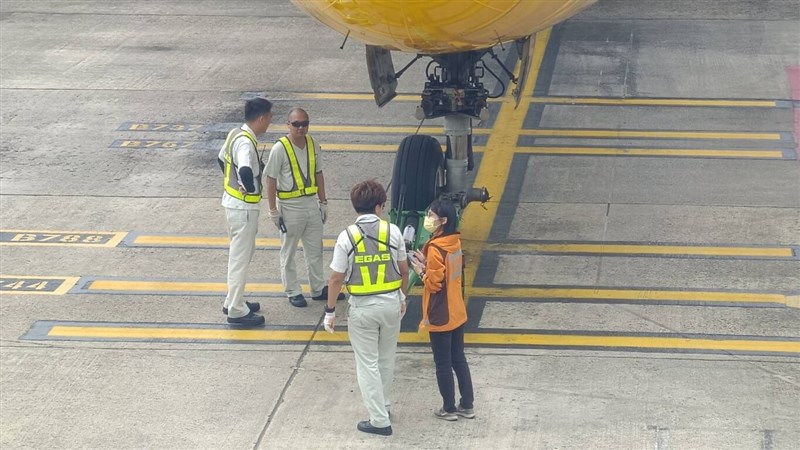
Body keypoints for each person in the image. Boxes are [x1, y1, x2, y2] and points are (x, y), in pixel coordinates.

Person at [323, 180, 409, 436]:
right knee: (385, 359)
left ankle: (379, 420)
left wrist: (330, 312)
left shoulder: (346, 237)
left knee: (367, 364)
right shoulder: (393, 232)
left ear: (355, 207)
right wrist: (402, 298)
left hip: (362, 308)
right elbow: (404, 271)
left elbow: (336, 278)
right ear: (379, 206)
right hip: (392, 304)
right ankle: (384, 405)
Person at [265, 108, 344, 307]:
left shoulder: (313, 144)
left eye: (304, 123)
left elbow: (319, 173)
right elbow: (271, 179)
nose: (301, 128)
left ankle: (318, 288)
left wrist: (323, 202)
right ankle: (292, 291)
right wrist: (273, 210)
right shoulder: (280, 149)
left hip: (311, 204)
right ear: (288, 125)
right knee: (289, 251)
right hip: (290, 207)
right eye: (296, 124)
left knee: (315, 250)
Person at [408, 199, 475, 421]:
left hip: (441, 313)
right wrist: (427, 262)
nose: (428, 218)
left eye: (431, 215)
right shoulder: (454, 242)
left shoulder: (436, 248)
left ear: (443, 221)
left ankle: (448, 407)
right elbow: (447, 274)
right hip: (457, 310)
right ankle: (467, 404)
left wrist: (421, 270)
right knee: (458, 358)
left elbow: (435, 283)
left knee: (443, 363)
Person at [217, 97, 273, 327]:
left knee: (239, 256)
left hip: (231, 203)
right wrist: (248, 188)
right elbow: (247, 170)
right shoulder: (246, 144)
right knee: (240, 259)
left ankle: (233, 300)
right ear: (261, 119)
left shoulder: (235, 134)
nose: (269, 123)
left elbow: (220, 159)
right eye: (269, 118)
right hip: (243, 208)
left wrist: (234, 183)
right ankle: (237, 310)